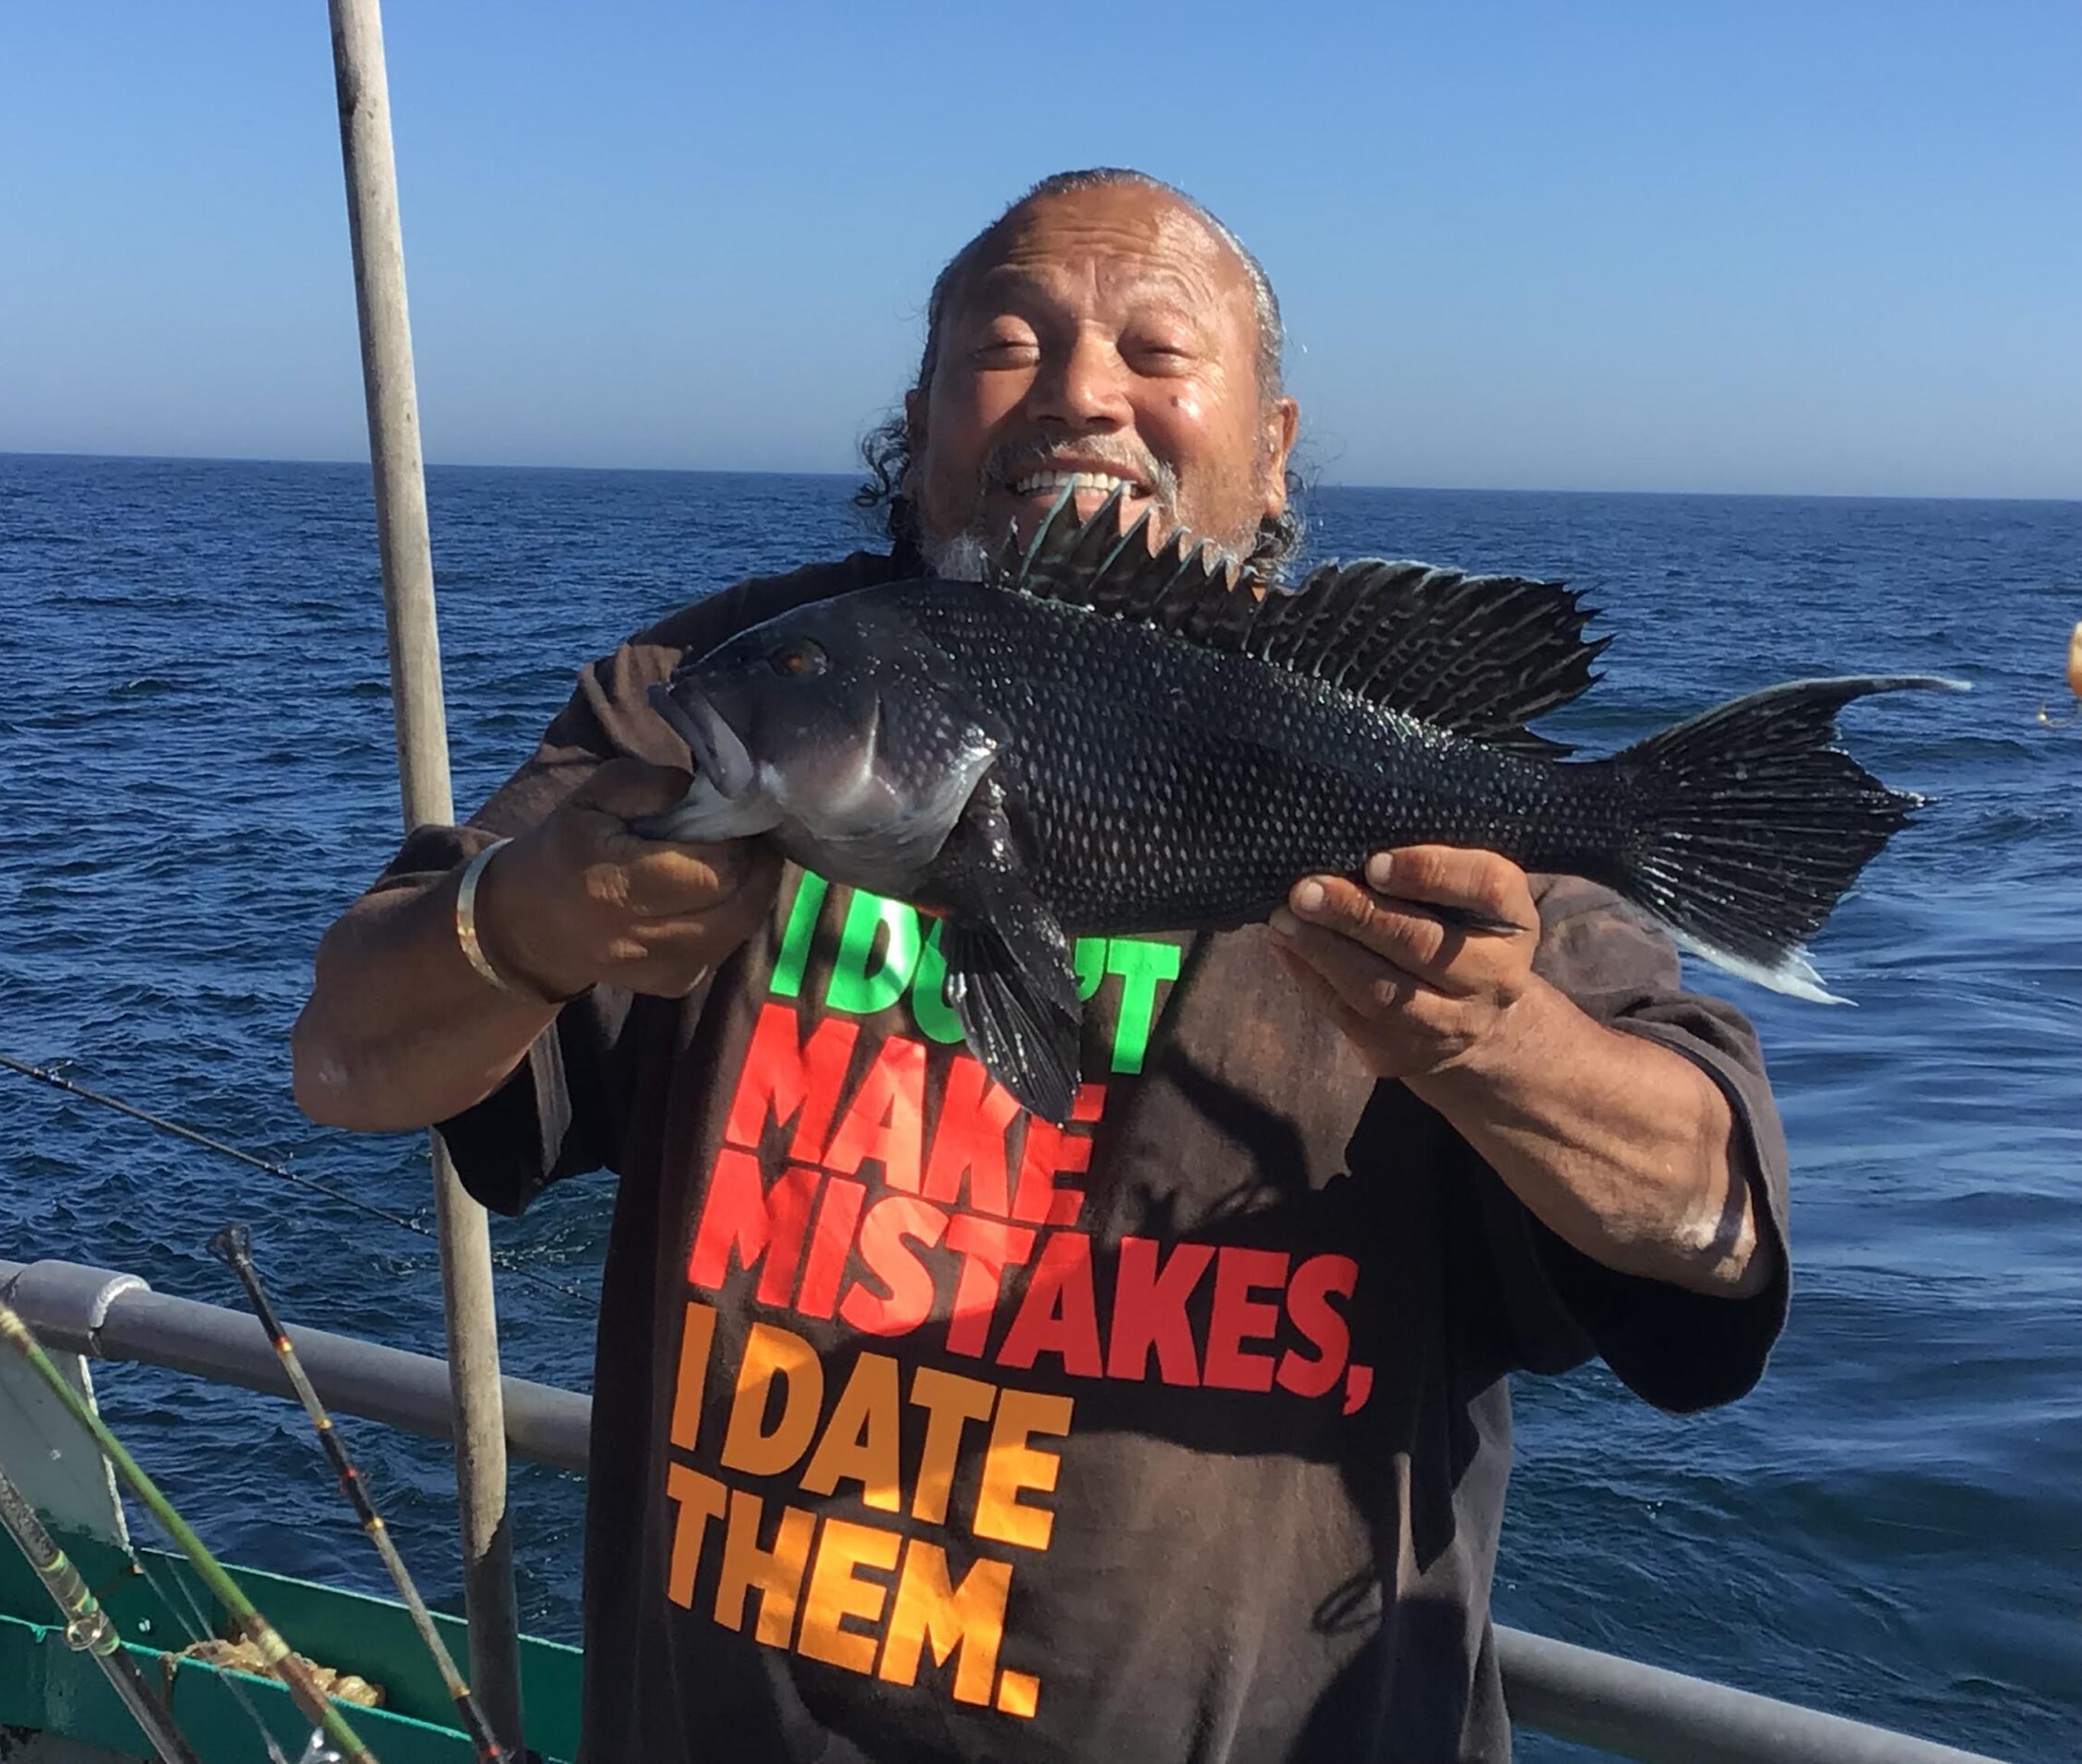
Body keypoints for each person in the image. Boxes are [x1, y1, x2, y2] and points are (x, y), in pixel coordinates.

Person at [293, 168, 1787, 1764]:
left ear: (1272, 448)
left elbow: (1714, 1225)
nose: (1082, 392)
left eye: (1157, 351)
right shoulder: (691, 701)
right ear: (921, 418)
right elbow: (347, 1060)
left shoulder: (1420, 782)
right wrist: (528, 922)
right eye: (1006, 344)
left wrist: (1502, 1047)